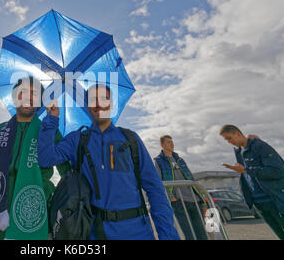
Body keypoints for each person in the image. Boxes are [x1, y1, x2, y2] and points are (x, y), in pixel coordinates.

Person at [38, 84, 180, 240]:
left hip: (139, 232)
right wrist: (51, 120)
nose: (98, 104)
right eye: (93, 99)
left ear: (111, 104)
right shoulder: (77, 139)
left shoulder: (130, 138)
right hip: (97, 233)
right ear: (88, 106)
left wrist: (168, 235)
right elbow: (45, 159)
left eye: (104, 99)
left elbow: (155, 189)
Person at [0, 76, 69, 240]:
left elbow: (69, 176)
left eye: (34, 94)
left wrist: (54, 203)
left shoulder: (50, 133)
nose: (28, 97)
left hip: (36, 225)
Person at [220, 124, 284, 240]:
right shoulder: (240, 152)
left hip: (275, 200)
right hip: (259, 204)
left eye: (229, 138)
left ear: (237, 134)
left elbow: (278, 172)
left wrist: (246, 170)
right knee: (282, 237)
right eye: (226, 140)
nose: (228, 142)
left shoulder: (260, 146)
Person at [154, 135, 208, 240]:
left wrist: (202, 200)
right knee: (189, 233)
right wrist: (172, 197)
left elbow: (191, 178)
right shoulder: (159, 161)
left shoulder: (180, 160)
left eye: (172, 142)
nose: (172, 144)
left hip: (194, 200)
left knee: (201, 232)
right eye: (169, 142)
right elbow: (159, 182)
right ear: (162, 145)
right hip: (179, 201)